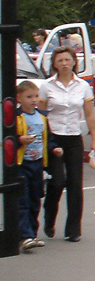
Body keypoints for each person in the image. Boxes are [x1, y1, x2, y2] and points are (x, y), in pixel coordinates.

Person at [39, 45, 95, 242]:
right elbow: (40, 115)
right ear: (54, 65)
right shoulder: (47, 86)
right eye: (60, 61)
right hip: (54, 137)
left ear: (74, 62)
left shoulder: (82, 86)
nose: (64, 64)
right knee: (57, 182)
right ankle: (49, 218)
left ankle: (73, 229)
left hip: (74, 137)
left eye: (67, 60)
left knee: (75, 183)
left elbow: (89, 114)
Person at [15, 81, 63, 252]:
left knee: (35, 199)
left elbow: (47, 138)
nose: (34, 100)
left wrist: (53, 148)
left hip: (38, 164)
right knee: (23, 200)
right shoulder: (16, 117)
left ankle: (32, 234)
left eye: (36, 96)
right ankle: (25, 235)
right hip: (22, 163)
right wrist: (19, 140)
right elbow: (9, 138)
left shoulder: (41, 116)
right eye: (29, 97)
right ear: (18, 98)